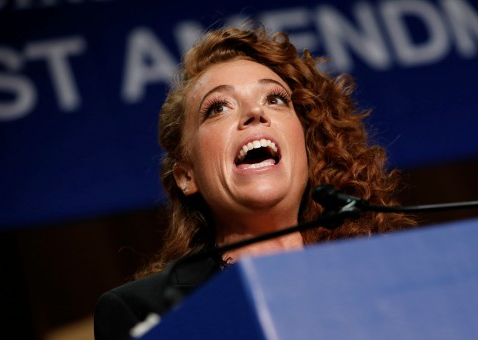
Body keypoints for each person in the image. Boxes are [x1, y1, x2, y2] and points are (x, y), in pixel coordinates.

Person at [94, 25, 416, 340]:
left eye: (275, 99)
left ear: (306, 150)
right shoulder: (144, 312)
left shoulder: (384, 278)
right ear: (187, 176)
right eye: (218, 108)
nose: (254, 113)